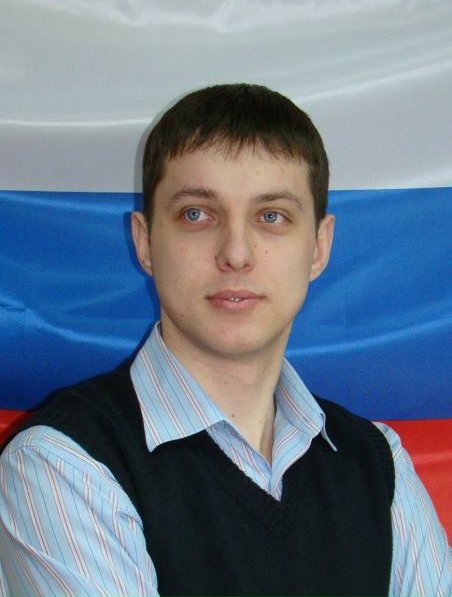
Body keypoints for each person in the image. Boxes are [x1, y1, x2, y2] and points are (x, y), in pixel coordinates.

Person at [0, 84, 450, 597]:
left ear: (319, 247)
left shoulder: (379, 464)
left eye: (272, 216)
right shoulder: (62, 464)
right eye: (197, 214)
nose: (236, 253)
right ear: (145, 243)